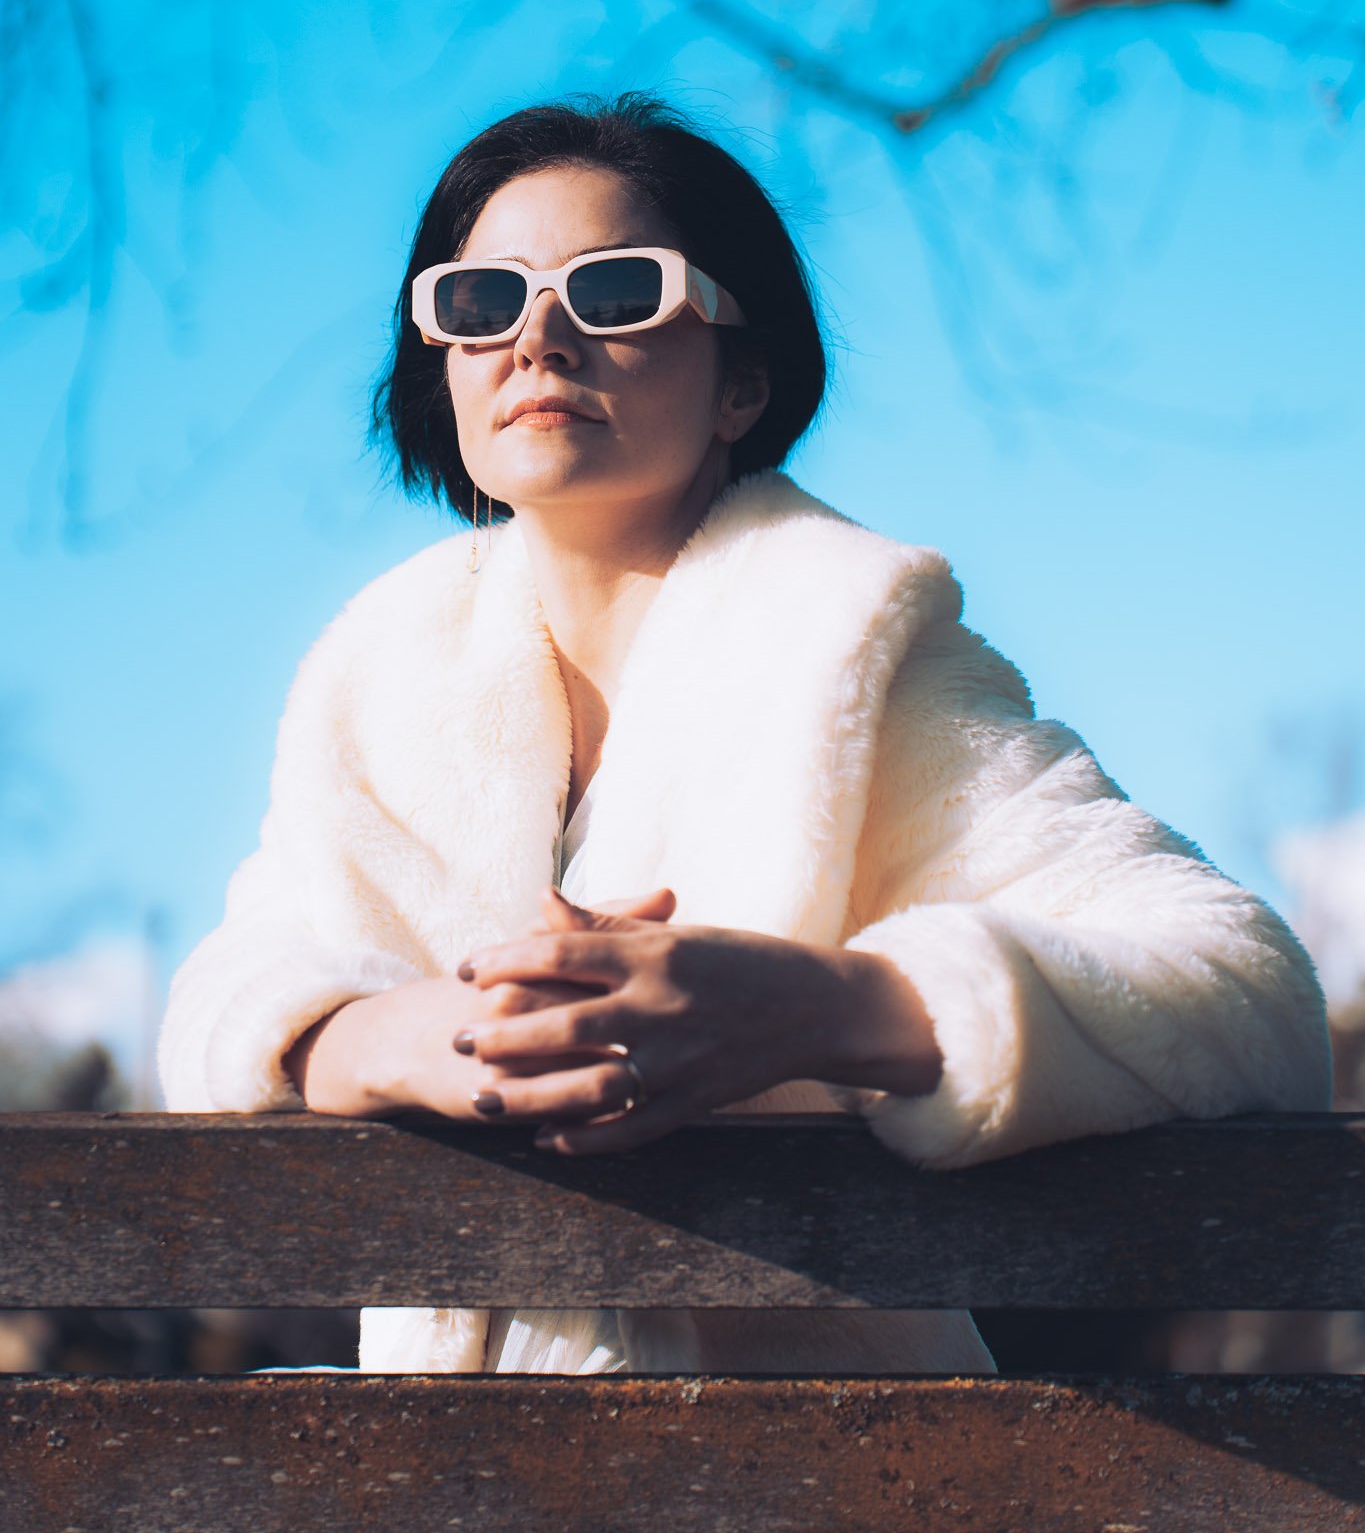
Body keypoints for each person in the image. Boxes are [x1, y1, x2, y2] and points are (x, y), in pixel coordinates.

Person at [157, 91, 1332, 1377]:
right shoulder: (375, 679)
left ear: (743, 380)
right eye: (484, 299)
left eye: (615, 291)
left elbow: (1249, 992)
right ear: (441, 361)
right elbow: (230, 996)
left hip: (839, 1482)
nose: (538, 335)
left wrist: (815, 1007)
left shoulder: (854, 653)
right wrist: (406, 1036)